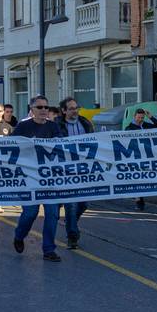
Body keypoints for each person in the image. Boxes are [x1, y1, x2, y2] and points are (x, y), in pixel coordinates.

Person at [12, 95, 66, 262]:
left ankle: (49, 249)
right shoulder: (22, 126)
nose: (44, 110)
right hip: (29, 178)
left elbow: (60, 147)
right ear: (32, 110)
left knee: (52, 214)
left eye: (46, 108)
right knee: (30, 213)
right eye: (40, 107)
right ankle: (19, 236)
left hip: (48, 178)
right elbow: (10, 148)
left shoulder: (53, 126)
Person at [56, 97, 94, 249]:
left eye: (76, 107)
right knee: (71, 205)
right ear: (64, 111)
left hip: (83, 169)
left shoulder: (85, 123)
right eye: (71, 108)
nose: (75, 111)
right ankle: (73, 235)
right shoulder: (57, 125)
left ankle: (71, 222)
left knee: (84, 204)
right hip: (66, 170)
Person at [126, 108, 157, 210]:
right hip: (136, 157)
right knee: (137, 179)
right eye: (139, 117)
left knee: (146, 177)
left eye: (142, 117)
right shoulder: (129, 128)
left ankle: (139, 198)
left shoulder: (146, 125)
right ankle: (139, 201)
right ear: (134, 117)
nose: (140, 119)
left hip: (148, 156)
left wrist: (150, 117)